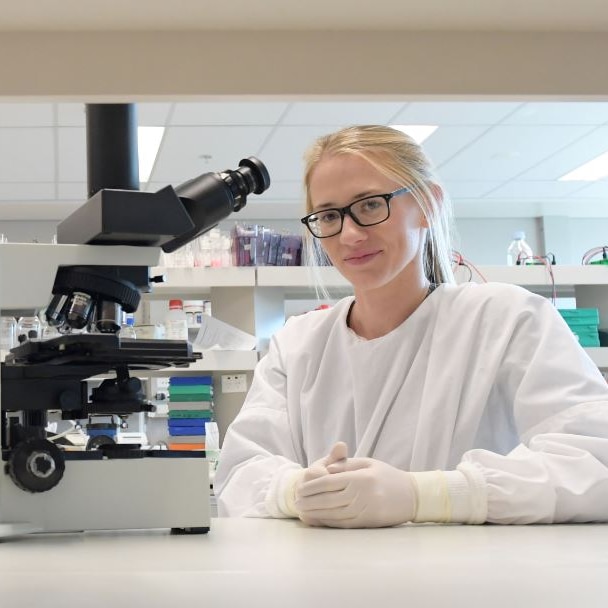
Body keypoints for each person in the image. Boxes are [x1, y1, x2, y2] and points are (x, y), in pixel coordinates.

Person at [214, 125, 608, 527]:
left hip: (475, 583)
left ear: (428, 205)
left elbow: (595, 460)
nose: (349, 234)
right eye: (330, 215)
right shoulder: (297, 345)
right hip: (326, 581)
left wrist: (428, 495)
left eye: (369, 205)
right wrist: (296, 491)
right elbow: (242, 471)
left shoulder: (508, 320)